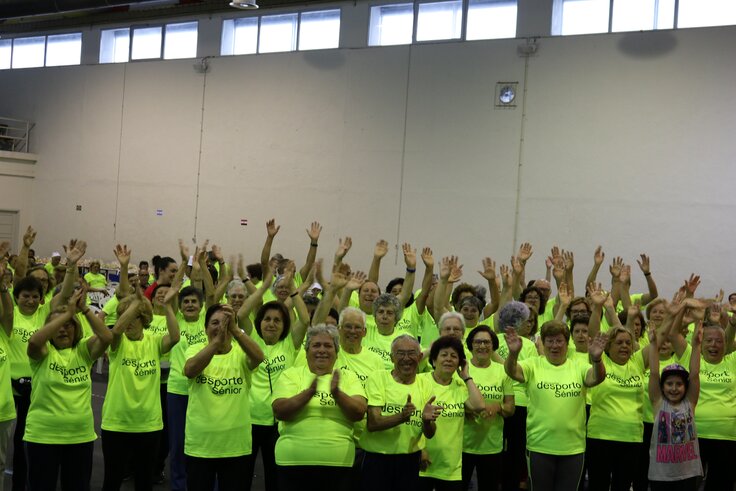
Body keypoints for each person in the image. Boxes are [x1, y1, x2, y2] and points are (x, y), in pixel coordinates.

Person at [24, 288, 112, 491]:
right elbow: (34, 341)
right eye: (58, 326)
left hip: (80, 437)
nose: (63, 330)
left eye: (68, 325)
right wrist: (67, 314)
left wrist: (85, 310)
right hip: (42, 436)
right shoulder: (44, 353)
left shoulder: (83, 351)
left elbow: (106, 337)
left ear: (76, 328)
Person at [504, 320, 607, 491]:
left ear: (567, 343)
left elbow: (597, 378)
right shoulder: (533, 364)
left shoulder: (579, 366)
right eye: (550, 341)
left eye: (559, 341)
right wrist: (513, 354)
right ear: (543, 344)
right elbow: (512, 371)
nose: (554, 345)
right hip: (539, 447)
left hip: (573, 449)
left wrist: (596, 359)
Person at [238, 268, 309, 491]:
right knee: (243, 476)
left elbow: (305, 319)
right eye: (267, 319)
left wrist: (294, 289)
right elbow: (241, 315)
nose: (271, 323)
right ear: (259, 322)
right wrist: (262, 289)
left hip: (277, 422)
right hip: (249, 419)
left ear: (284, 325)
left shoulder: (289, 343)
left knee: (274, 477)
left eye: (277, 320)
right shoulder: (252, 339)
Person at [101, 288, 179, 491]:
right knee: (112, 481)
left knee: (144, 482)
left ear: (143, 319)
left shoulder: (153, 341)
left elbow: (175, 337)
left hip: (149, 425)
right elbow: (115, 331)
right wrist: (136, 303)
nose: (127, 321)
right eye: (123, 316)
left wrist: (167, 306)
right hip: (116, 424)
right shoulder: (117, 344)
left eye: (134, 317)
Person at [272, 324, 367, 491]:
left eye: (328, 346)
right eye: (316, 345)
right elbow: (280, 411)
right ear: (306, 351)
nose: (322, 350)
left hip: (338, 463)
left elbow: (359, 412)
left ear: (337, 353)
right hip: (293, 462)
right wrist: (309, 393)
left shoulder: (348, 377)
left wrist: (337, 393)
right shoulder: (291, 375)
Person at [183, 303, 264, 491]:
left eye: (226, 322)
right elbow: (190, 370)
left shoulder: (241, 353)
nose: (220, 327)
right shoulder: (195, 349)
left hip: (236, 447)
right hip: (200, 446)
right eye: (215, 323)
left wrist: (235, 330)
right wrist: (216, 343)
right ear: (205, 328)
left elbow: (259, 357)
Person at [668, 302, 733, 490]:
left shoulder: (732, 361)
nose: (714, 345)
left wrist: (732, 322)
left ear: (726, 345)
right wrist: (684, 305)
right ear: (700, 342)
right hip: (692, 434)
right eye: (709, 340)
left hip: (728, 436)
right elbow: (673, 335)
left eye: (719, 341)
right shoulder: (691, 356)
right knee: (686, 485)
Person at [361, 335, 437, 491]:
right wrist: (401, 417)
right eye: (400, 353)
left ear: (420, 357)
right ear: (391, 358)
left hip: (410, 460)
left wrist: (427, 422)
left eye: (411, 353)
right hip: (377, 459)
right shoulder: (378, 378)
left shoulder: (426, 384)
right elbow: (373, 423)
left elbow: (429, 434)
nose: (406, 358)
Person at [418, 335, 484, 490]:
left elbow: (479, 405)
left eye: (454, 356)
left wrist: (466, 376)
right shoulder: (420, 381)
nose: (449, 359)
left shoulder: (460, 386)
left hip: (451, 467)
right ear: (434, 360)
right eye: (444, 355)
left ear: (459, 363)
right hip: (422, 463)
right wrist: (420, 450)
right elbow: (411, 421)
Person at [648, 320, 703, 490]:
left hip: (688, 473)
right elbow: (654, 373)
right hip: (661, 475)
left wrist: (696, 345)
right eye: (669, 384)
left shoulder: (690, 402)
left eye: (679, 384)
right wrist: (653, 345)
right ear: (662, 386)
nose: (673, 388)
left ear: (686, 387)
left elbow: (694, 374)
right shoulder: (658, 402)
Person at [462, 326, 514, 491]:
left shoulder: (503, 371)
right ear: (470, 345)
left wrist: (498, 407)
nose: (482, 346)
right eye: (477, 342)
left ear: (493, 346)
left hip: (492, 447)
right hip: (462, 445)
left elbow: (510, 408)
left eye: (486, 342)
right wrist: (466, 409)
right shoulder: (461, 370)